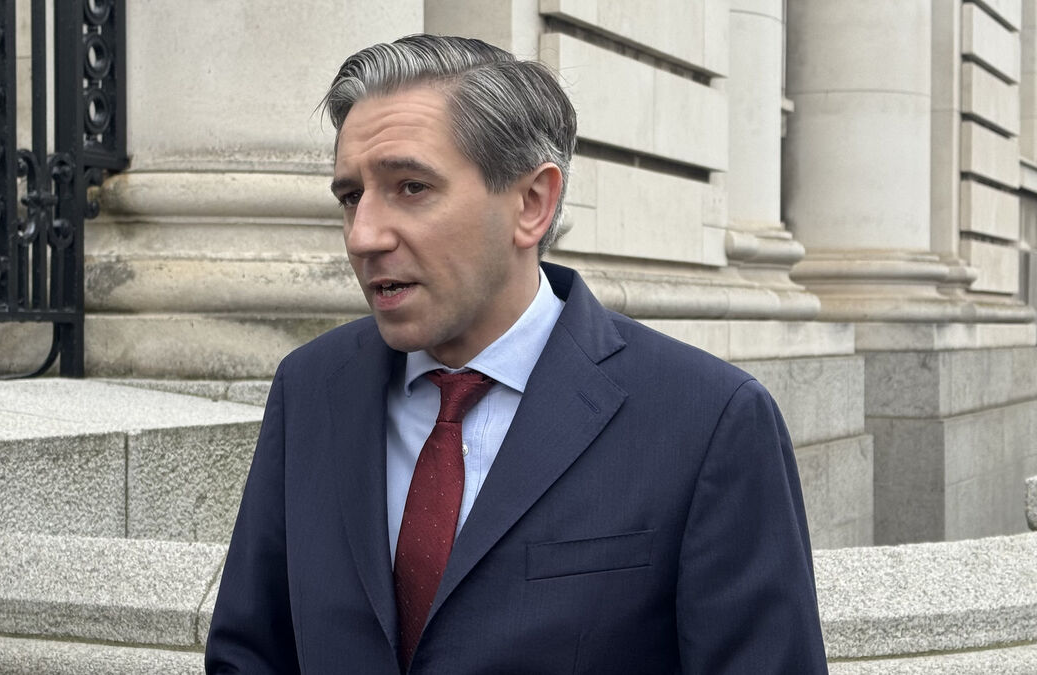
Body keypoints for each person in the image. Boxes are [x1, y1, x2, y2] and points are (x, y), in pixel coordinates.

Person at [205, 34, 828, 674]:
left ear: (532, 204)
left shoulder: (709, 420)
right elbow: (250, 653)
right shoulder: (311, 386)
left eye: (411, 187)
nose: (363, 235)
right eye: (350, 197)